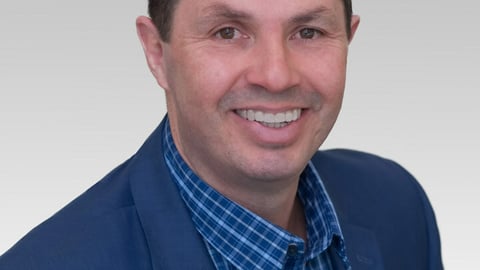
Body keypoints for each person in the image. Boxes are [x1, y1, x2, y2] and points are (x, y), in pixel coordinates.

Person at [0, 0, 443, 269]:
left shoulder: (399, 207)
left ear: (349, 39)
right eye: (227, 32)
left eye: (308, 31)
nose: (275, 75)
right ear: (157, 53)